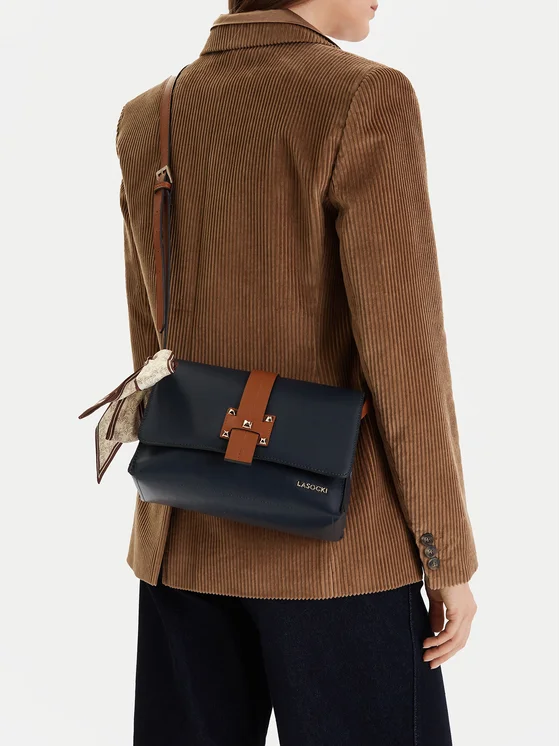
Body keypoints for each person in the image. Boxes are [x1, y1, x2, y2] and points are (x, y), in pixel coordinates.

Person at [115, 1, 478, 744]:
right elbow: (405, 348)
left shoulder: (149, 114)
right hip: (341, 551)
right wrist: (444, 553)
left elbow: (150, 343)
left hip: (185, 539)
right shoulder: (365, 96)